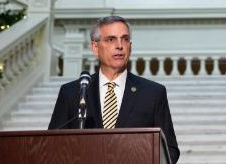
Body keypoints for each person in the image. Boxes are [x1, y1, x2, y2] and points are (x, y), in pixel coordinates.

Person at [48, 16, 180, 164]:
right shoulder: (72, 92)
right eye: (111, 39)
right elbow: (51, 146)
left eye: (124, 39)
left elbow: (170, 151)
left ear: (130, 46)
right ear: (95, 48)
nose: (119, 45)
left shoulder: (153, 93)